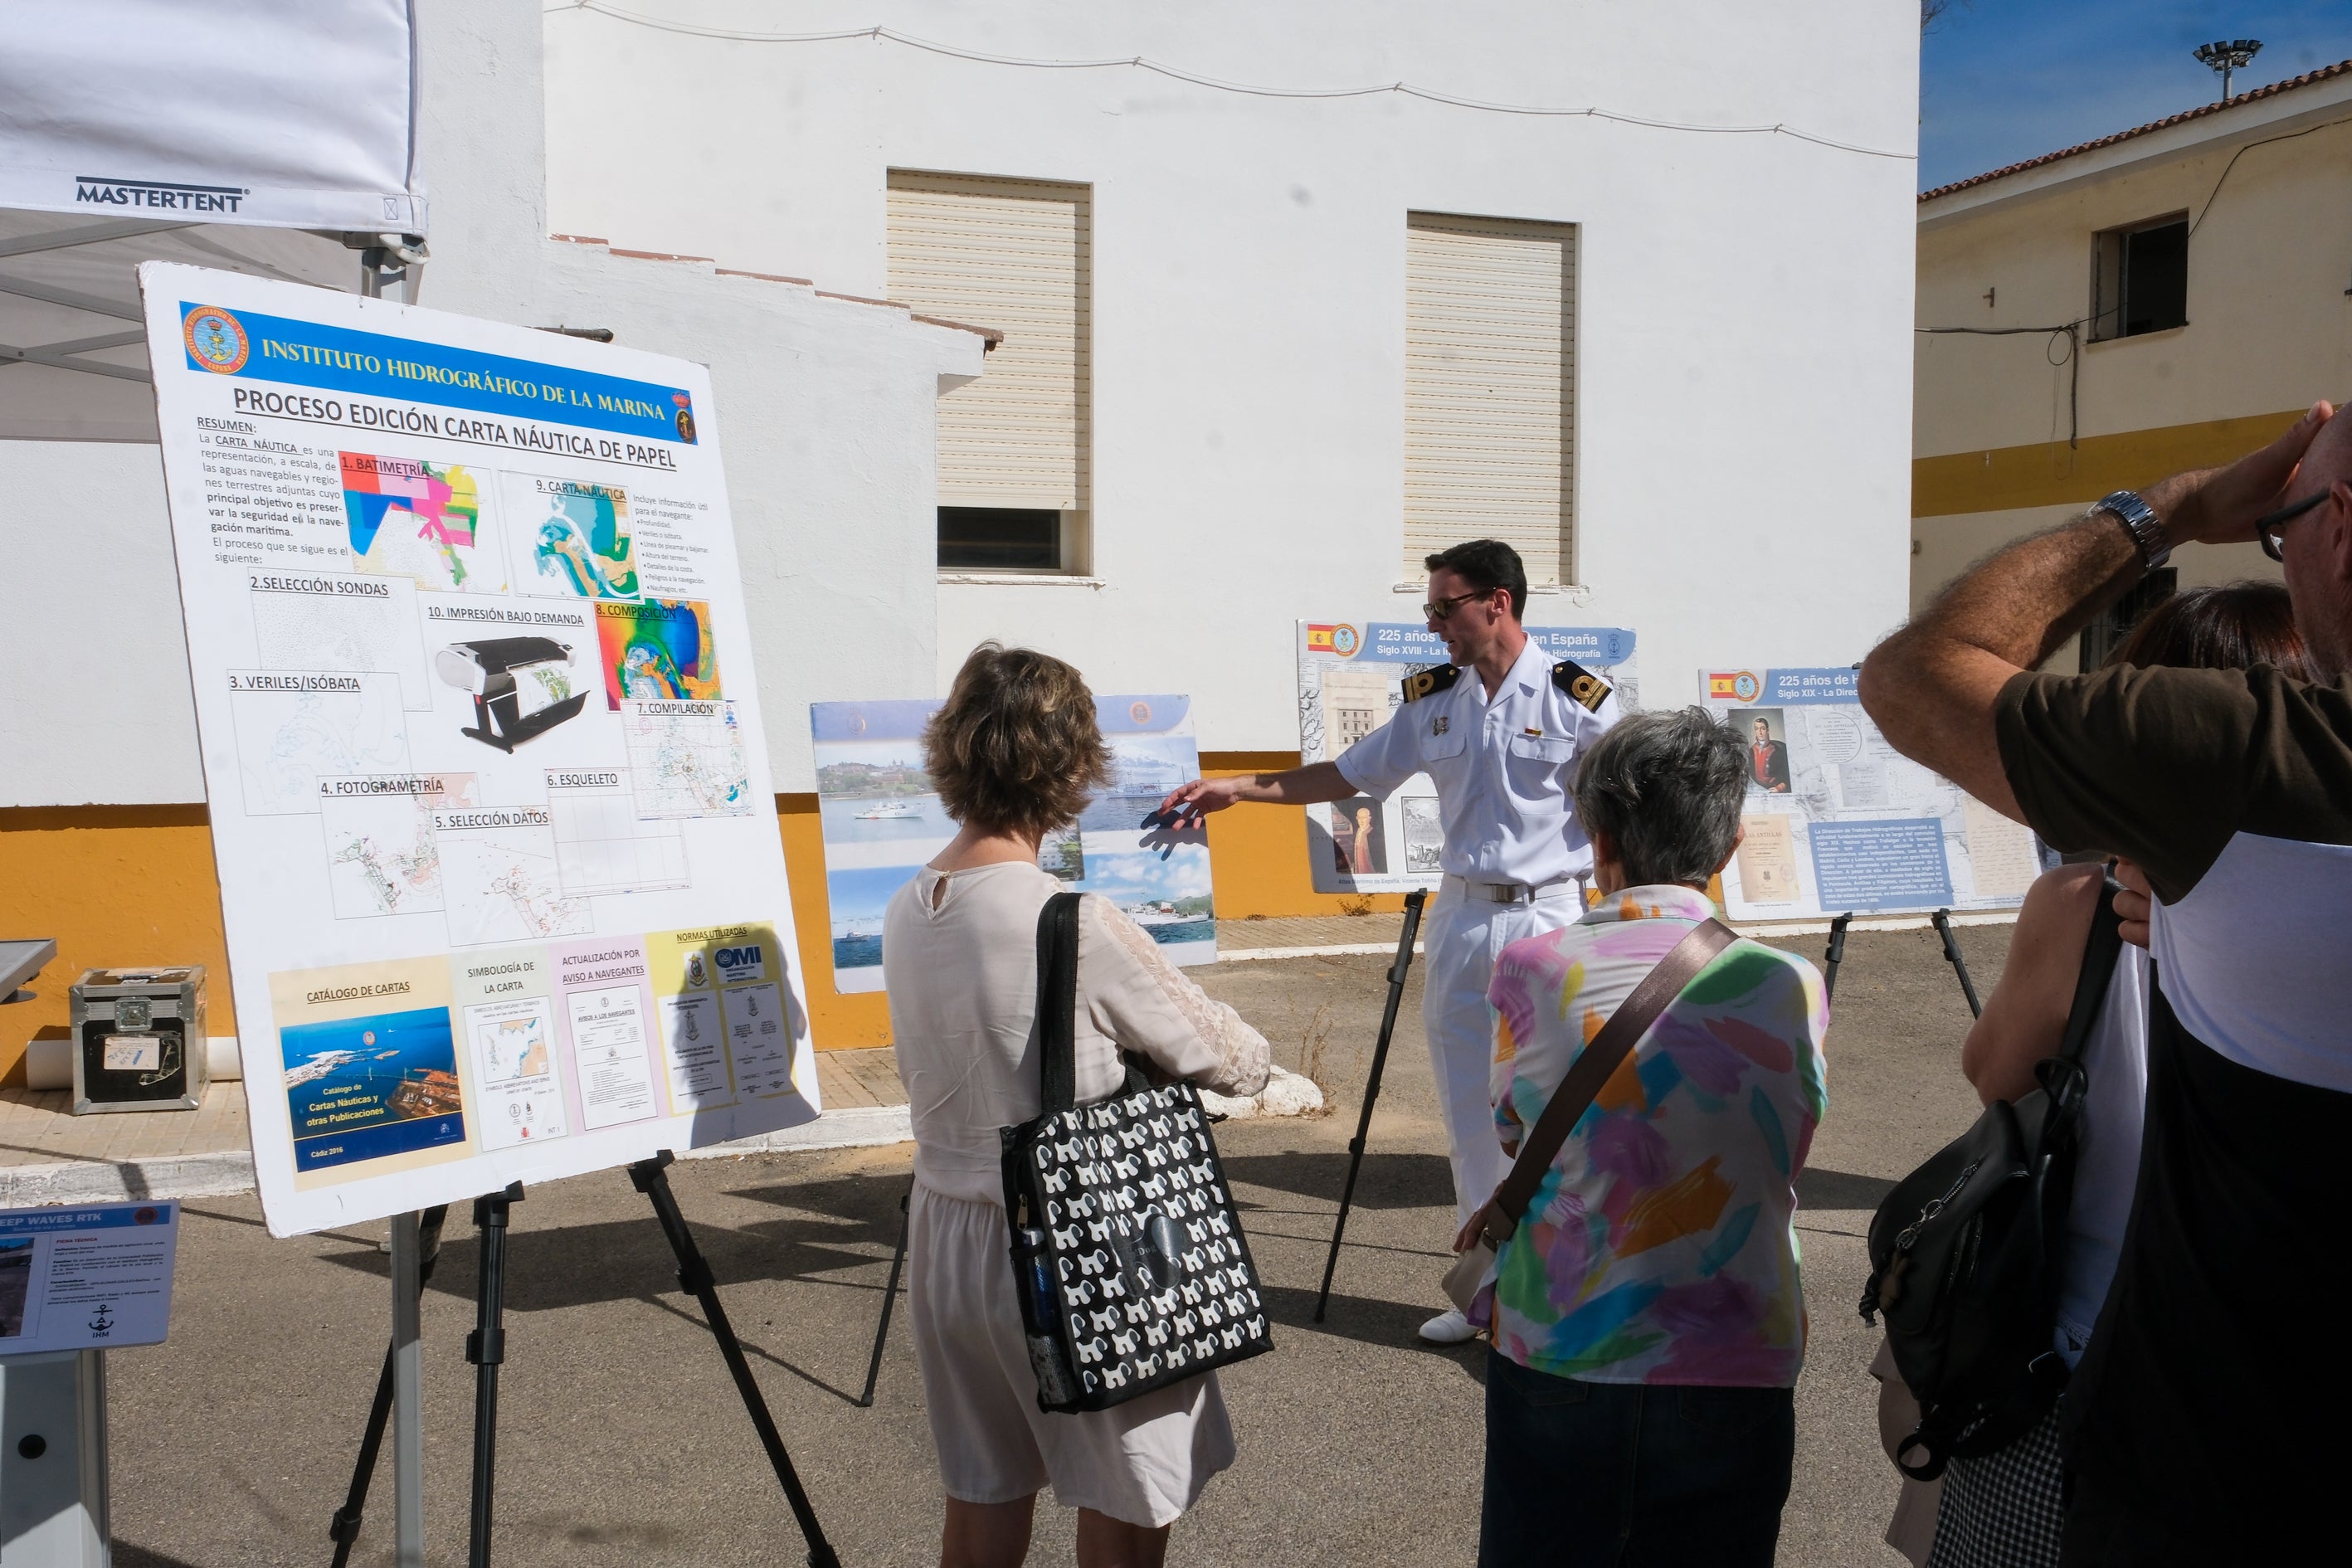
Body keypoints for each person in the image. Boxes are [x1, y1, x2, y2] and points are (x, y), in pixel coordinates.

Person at [1858, 403, 2352, 1565]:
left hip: (2219, 1475)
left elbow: (1913, 677)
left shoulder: (2250, 760)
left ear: (2336, 527)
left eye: (2278, 532)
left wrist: (2166, 510)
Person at [1917, 582, 2314, 1568]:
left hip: (2083, 1368)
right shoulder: (2328, 907)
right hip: (2288, 1393)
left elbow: (1996, 1073)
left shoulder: (2081, 901)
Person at [1161, 539, 1623, 1344]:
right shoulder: (1435, 701)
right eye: (1430, 610)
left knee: (1553, 1111)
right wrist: (1238, 787)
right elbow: (1347, 775)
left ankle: (1560, 1297)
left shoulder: (1578, 701)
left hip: (1552, 918)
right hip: (1463, 917)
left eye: (1445, 608)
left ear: (1498, 604)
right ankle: (1486, 1295)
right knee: (1469, 1114)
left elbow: (1626, 807)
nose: (1434, 625)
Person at [884, 644, 1272, 1568]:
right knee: (1129, 1499)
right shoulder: (1075, 919)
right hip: (1079, 1234)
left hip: (946, 1228)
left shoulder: (908, 905)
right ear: (1069, 763)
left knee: (982, 1497)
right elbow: (1229, 1060)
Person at [1468, 707, 1829, 1568]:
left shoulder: (1532, 969)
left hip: (1564, 1342)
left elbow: (1514, 1129)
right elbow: (1788, 1136)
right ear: (1731, 843)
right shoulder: (1791, 982)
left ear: (1598, 839)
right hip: (1736, 1347)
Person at [1748, 716, 1791, 791]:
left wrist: (1779, 788)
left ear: (1767, 730)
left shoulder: (1777, 750)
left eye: (1763, 729)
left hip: (1774, 787)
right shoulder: (1752, 750)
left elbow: (1787, 775)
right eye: (1757, 729)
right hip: (1757, 788)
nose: (1760, 732)